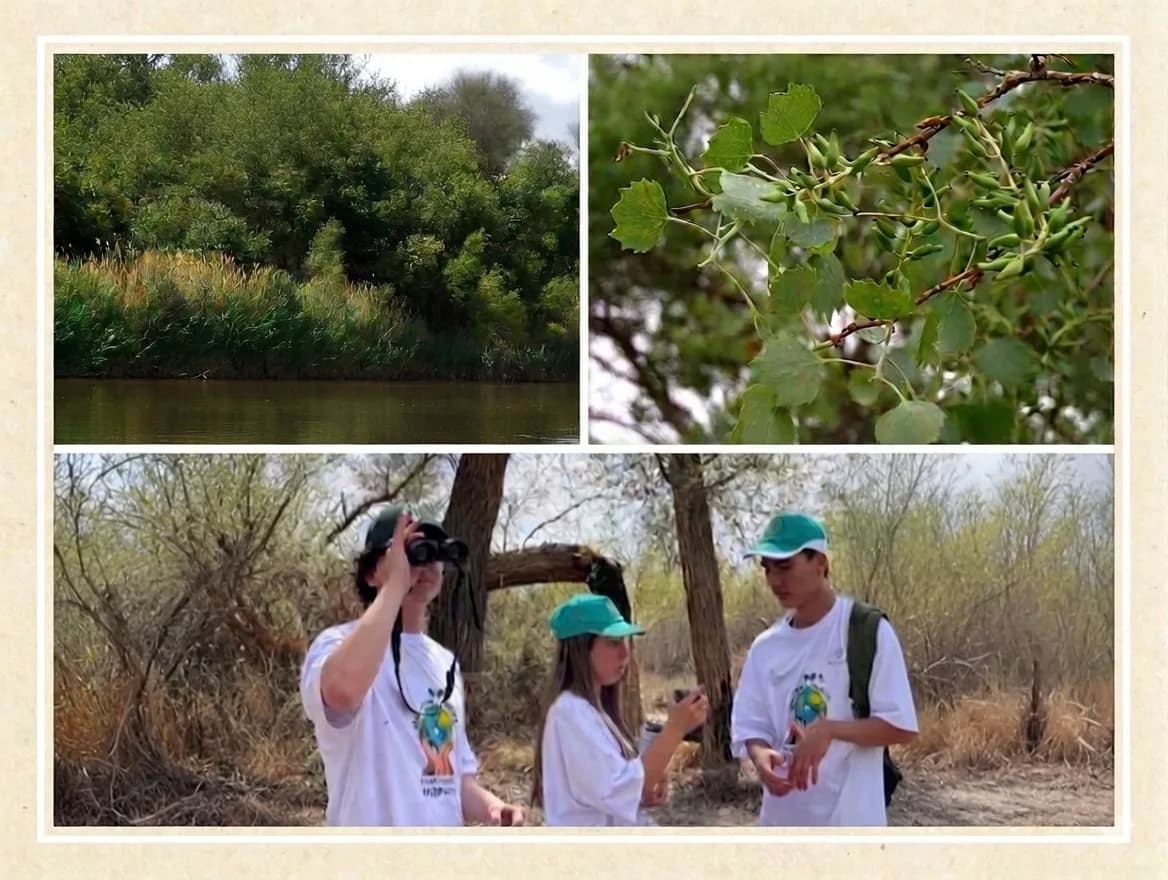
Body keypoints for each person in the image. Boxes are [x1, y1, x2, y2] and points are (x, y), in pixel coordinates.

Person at [299, 506, 526, 827]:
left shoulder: (445, 664)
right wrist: (395, 586)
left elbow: (449, 778)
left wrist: (492, 807)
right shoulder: (336, 644)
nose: (424, 565)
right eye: (412, 552)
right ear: (370, 572)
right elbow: (341, 693)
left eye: (433, 554)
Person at [729, 512, 919, 827]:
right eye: (768, 568)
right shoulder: (765, 647)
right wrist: (761, 758)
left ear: (820, 561)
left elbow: (901, 726)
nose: (775, 580)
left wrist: (829, 731)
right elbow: (751, 725)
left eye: (786, 566)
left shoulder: (865, 631)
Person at [532, 593, 709, 826]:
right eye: (613, 643)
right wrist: (675, 730)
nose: (625, 654)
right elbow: (616, 787)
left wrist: (640, 795)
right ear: (581, 649)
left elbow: (605, 792)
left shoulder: (593, 711)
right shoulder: (569, 713)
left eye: (625, 642)